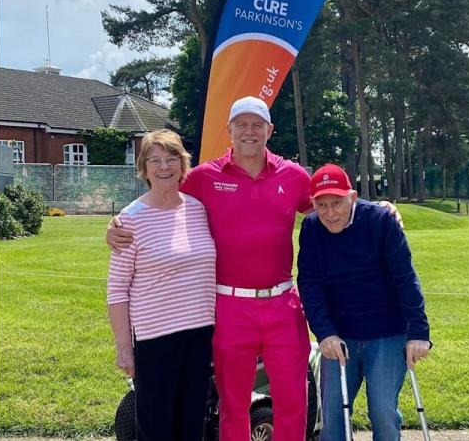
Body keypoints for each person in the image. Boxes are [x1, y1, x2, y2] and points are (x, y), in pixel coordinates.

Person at [108, 97, 404, 441]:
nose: (249, 132)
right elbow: (162, 195)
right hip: (230, 307)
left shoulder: (292, 175)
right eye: (242, 125)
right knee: (233, 404)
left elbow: (329, 204)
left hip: (282, 304)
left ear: (269, 130)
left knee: (294, 400)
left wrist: (375, 208)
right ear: (229, 130)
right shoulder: (205, 177)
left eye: (257, 125)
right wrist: (117, 224)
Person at [296, 163, 432, 441]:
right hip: (340, 335)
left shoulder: (381, 221)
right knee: (333, 417)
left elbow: (405, 278)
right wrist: (324, 332)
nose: (330, 213)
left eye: (337, 202)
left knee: (382, 412)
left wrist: (419, 332)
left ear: (353, 197)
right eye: (322, 205)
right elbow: (309, 284)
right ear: (313, 204)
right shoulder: (311, 228)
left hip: (387, 331)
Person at [106, 129, 217, 441]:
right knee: (155, 427)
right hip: (156, 339)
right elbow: (117, 290)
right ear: (144, 168)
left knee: (192, 423)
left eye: (171, 159)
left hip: (200, 335)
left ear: (183, 165)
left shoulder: (198, 209)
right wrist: (124, 347)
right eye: (154, 161)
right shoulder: (129, 220)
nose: (164, 167)